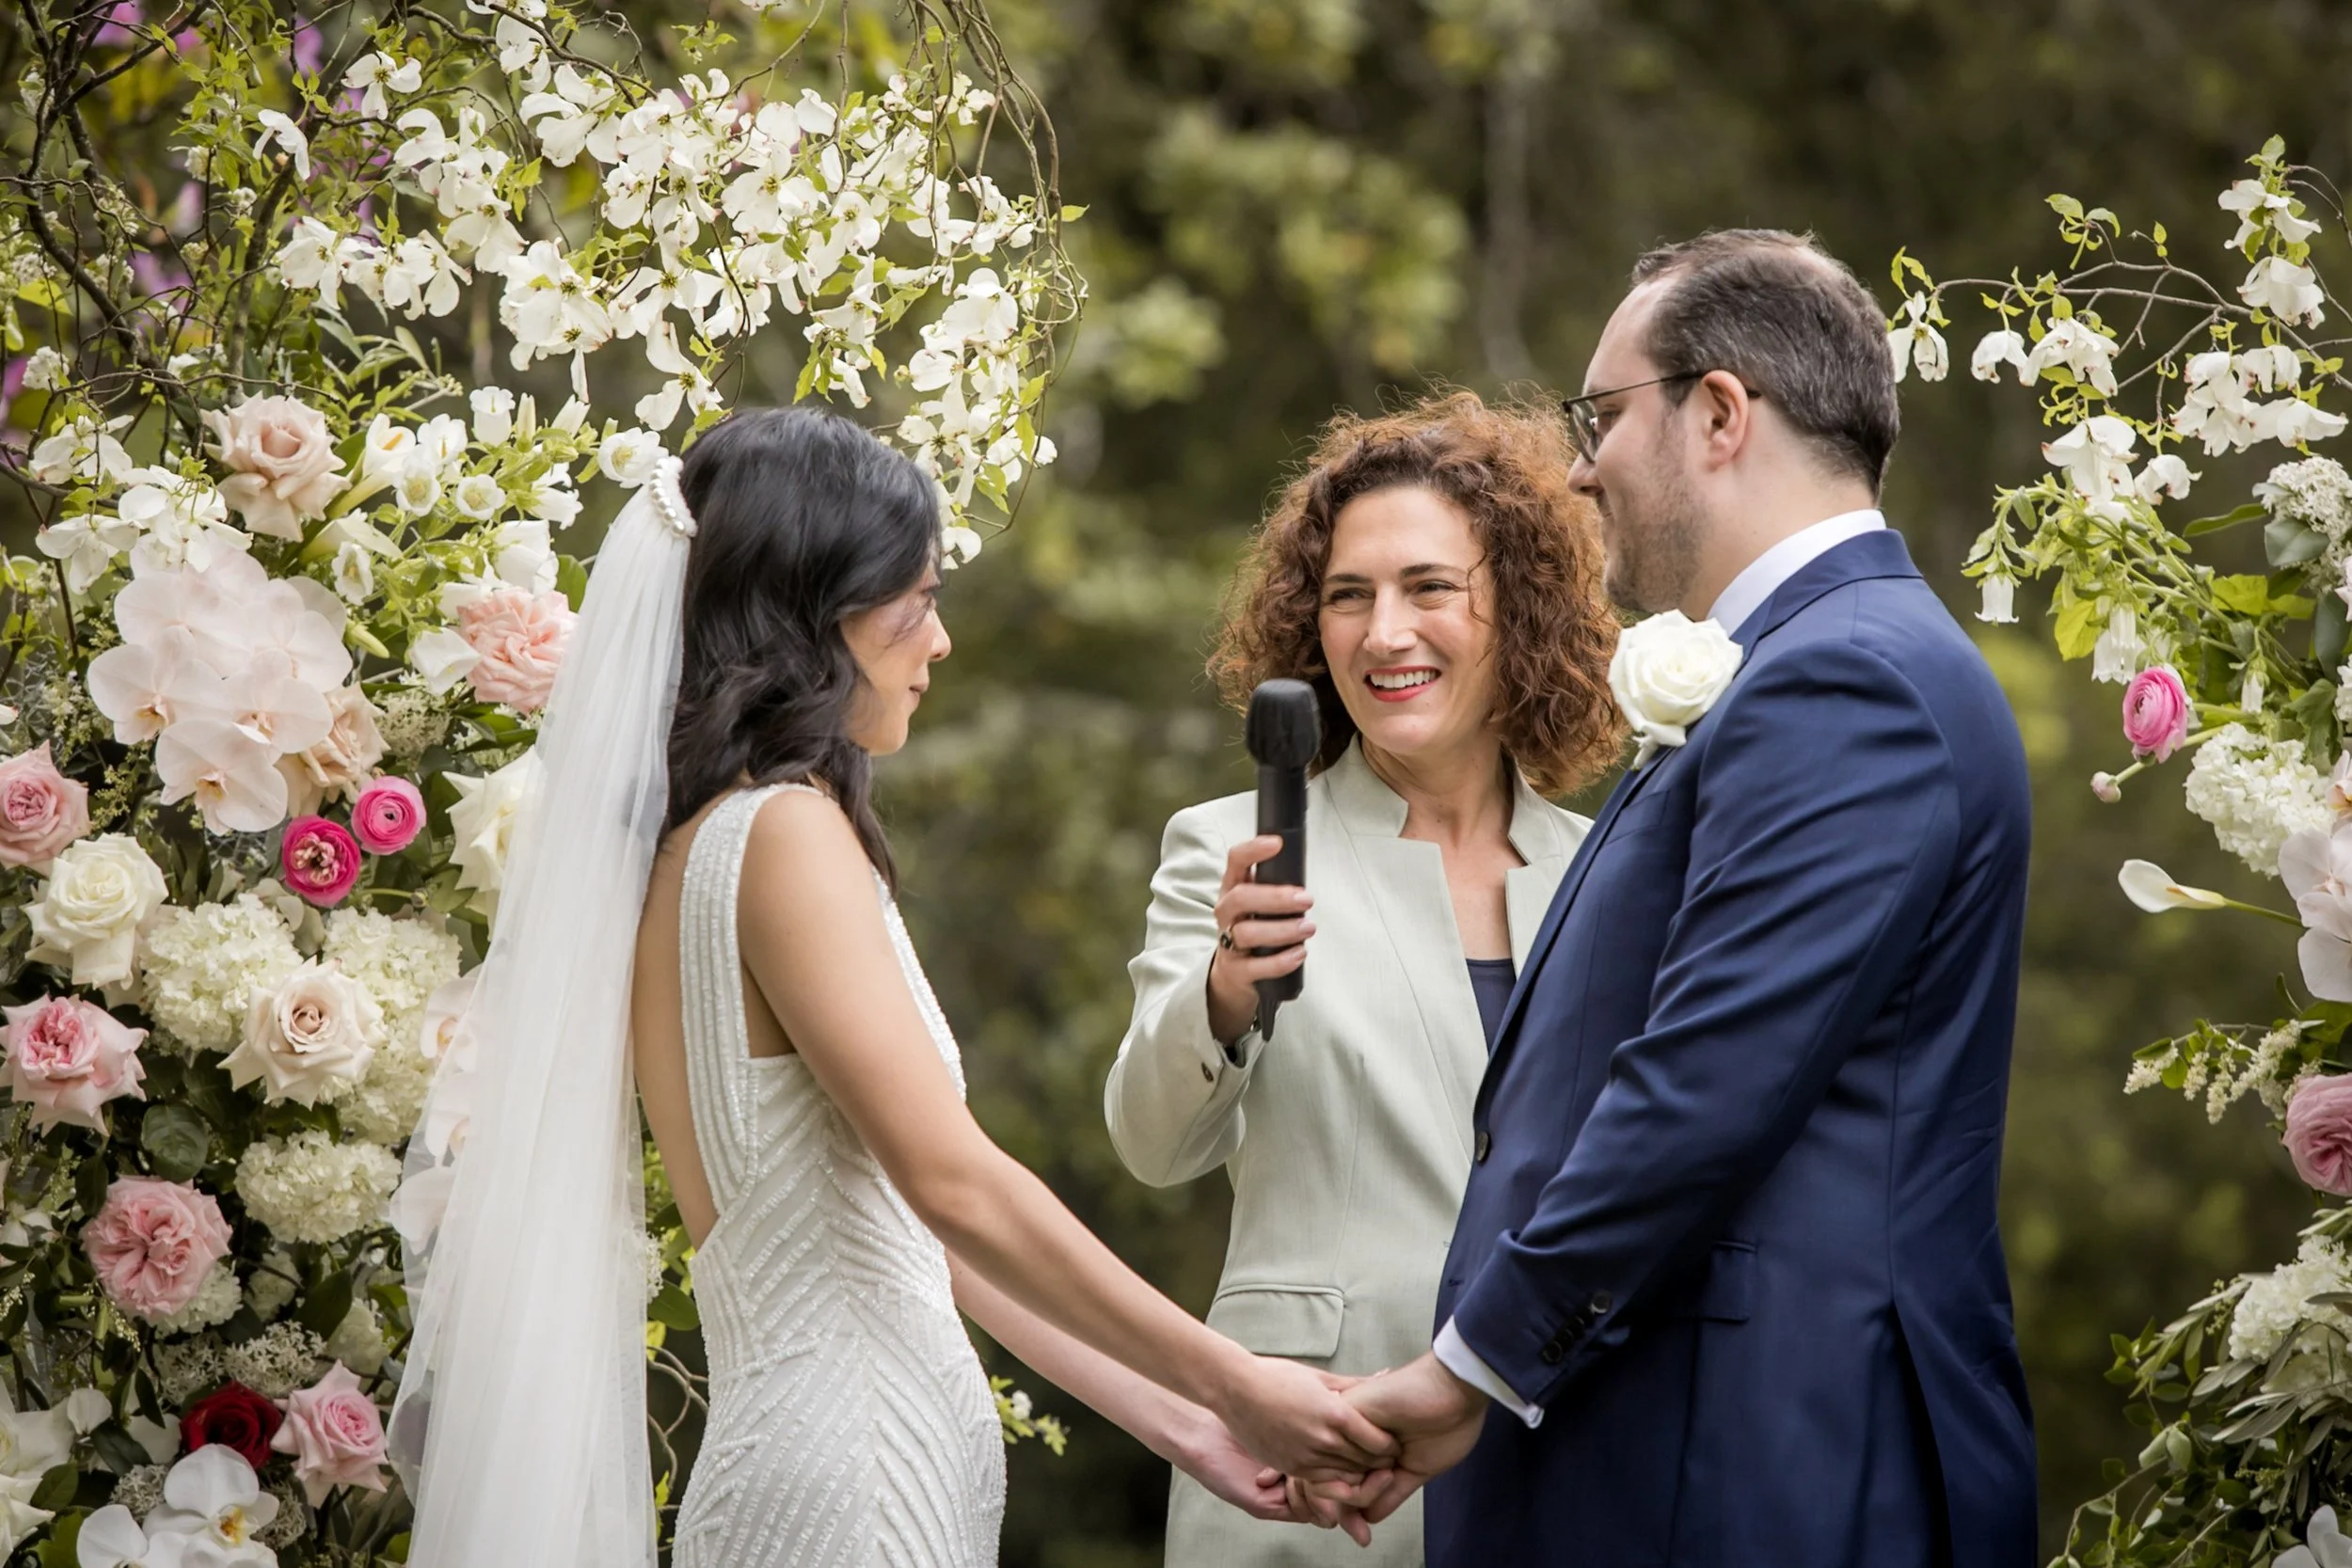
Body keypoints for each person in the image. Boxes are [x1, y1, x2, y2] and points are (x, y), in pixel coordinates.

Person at [393, 406, 1397, 1568]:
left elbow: (908, 1231)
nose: (941, 640)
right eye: (915, 602)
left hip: (832, 1461)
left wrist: (1192, 1424)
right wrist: (1241, 1379)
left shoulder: (687, 850)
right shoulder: (780, 834)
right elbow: (953, 1181)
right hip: (855, 1481)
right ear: (810, 618)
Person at [1302, 231, 2039, 1567]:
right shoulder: (1801, 665)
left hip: (1756, 1464)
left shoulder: (1849, 680)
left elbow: (1706, 1077)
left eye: (1602, 415)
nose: (1582, 464)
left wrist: (1472, 1360)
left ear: (1717, 413)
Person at [1105, 391, 1623, 1567]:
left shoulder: (1607, 868)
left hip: (1569, 1456)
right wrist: (1225, 990)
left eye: (1428, 587)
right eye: (1349, 595)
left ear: (1521, 608)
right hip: (1316, 1474)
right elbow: (1150, 1142)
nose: (1384, 631)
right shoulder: (1226, 847)